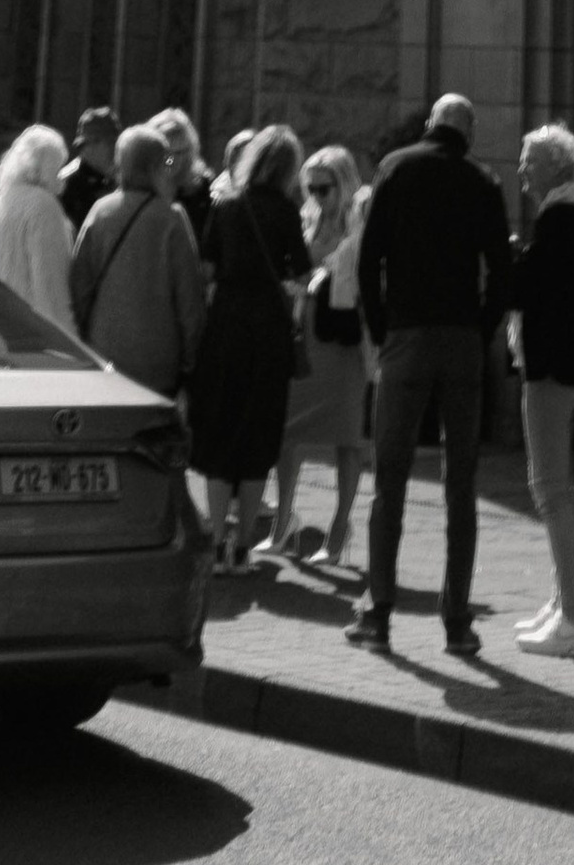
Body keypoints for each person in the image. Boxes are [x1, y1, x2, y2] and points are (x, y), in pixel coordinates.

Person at [349, 91, 513, 660]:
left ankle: (378, 613)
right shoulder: (484, 182)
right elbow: (503, 270)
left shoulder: (396, 169)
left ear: (432, 125)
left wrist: (380, 327)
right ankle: (457, 621)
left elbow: (369, 261)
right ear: (467, 133)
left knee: (389, 476)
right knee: (460, 483)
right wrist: (481, 325)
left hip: (408, 337)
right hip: (461, 342)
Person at [188, 121, 310, 572]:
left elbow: (206, 268)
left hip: (226, 328)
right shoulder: (286, 211)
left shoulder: (226, 206)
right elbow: (299, 271)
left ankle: (216, 542)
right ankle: (243, 547)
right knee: (259, 436)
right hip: (268, 331)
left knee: (219, 432)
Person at [508, 121, 574, 655]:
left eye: (530, 160)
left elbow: (527, 290)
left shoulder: (558, 222)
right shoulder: (564, 218)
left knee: (550, 489)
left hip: (551, 373)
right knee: (552, 488)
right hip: (559, 370)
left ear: (555, 169)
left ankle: (572, 620)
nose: (521, 169)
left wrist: (510, 260)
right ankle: (562, 603)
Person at [268, 144, 370, 571]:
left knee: (347, 436)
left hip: (344, 338)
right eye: (309, 187)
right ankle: (282, 521)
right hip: (305, 334)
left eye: (323, 188)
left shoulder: (359, 219)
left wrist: (325, 275)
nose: (315, 195)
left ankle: (339, 527)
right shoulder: (307, 218)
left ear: (343, 184)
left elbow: (361, 277)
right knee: (288, 428)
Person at [70, 123, 206, 397]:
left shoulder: (100, 212)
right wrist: (192, 362)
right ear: (156, 167)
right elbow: (190, 300)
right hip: (158, 361)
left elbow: (79, 285)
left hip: (105, 351)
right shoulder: (172, 219)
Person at [0, 123, 75, 329]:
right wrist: (70, 341)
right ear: (48, 166)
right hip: (32, 337)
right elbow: (50, 286)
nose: (62, 175)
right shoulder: (43, 206)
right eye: (59, 166)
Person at [147, 105, 215, 250]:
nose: (175, 160)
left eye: (182, 152)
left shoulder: (203, 188)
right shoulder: (142, 186)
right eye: (169, 154)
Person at [58, 106, 118, 232]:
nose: (115, 150)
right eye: (110, 143)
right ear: (88, 145)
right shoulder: (67, 184)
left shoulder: (117, 177)